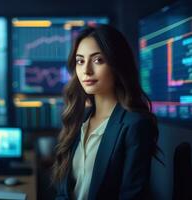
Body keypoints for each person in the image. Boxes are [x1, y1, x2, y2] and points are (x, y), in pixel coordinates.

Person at [52, 25, 159, 200]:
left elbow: (132, 196)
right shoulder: (79, 120)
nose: (86, 70)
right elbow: (64, 192)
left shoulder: (135, 124)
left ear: (117, 64)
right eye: (80, 61)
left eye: (98, 60)